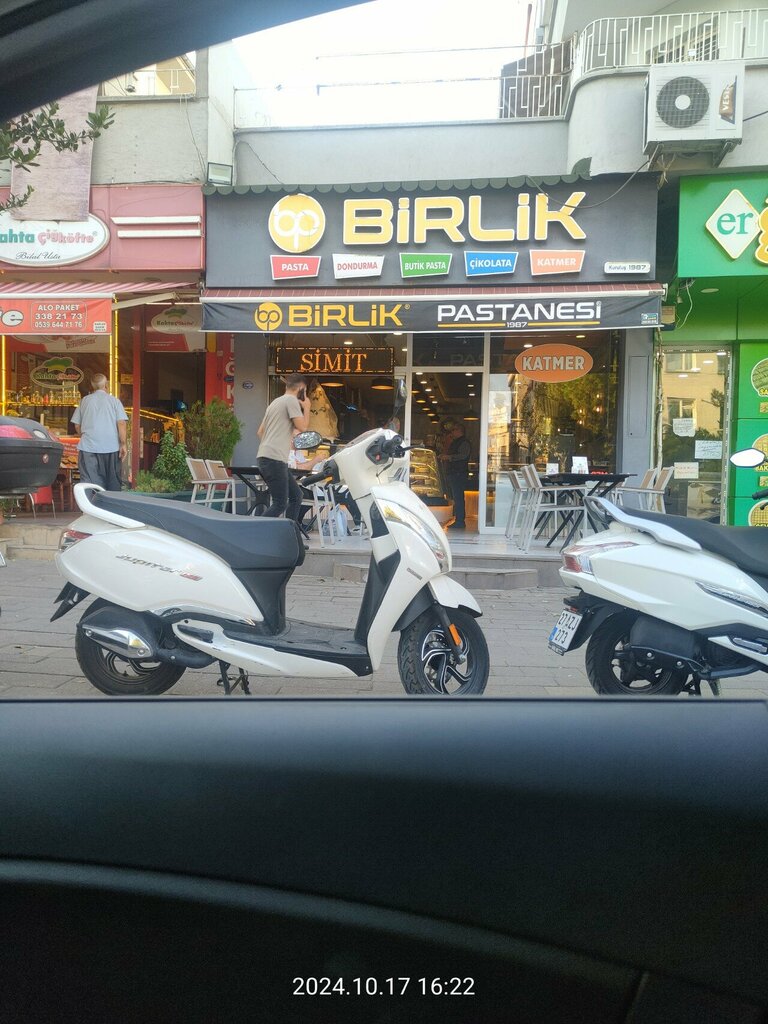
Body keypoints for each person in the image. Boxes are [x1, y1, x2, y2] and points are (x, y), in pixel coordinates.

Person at [256, 373, 311, 520]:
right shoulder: (291, 401)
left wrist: (272, 444)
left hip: (267, 457)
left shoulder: (274, 403)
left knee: (296, 495)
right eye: (305, 391)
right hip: (274, 459)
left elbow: (260, 432)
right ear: (301, 388)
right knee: (280, 504)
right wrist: (307, 407)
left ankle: (290, 532)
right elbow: (303, 427)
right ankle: (255, 530)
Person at [70, 373, 128, 491]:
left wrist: (86, 436)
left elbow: (77, 425)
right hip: (111, 447)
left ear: (92, 386)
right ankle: (109, 502)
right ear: (106, 385)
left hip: (88, 448)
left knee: (89, 483)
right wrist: (123, 444)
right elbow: (121, 423)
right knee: (112, 483)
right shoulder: (115, 401)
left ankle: (91, 502)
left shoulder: (84, 401)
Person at [441, 423, 471, 530]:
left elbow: (463, 456)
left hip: (458, 473)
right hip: (455, 473)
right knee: (457, 497)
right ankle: (458, 520)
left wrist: (449, 457)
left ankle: (460, 521)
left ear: (459, 431)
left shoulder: (464, 442)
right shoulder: (456, 442)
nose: (452, 432)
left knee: (458, 498)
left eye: (453, 430)